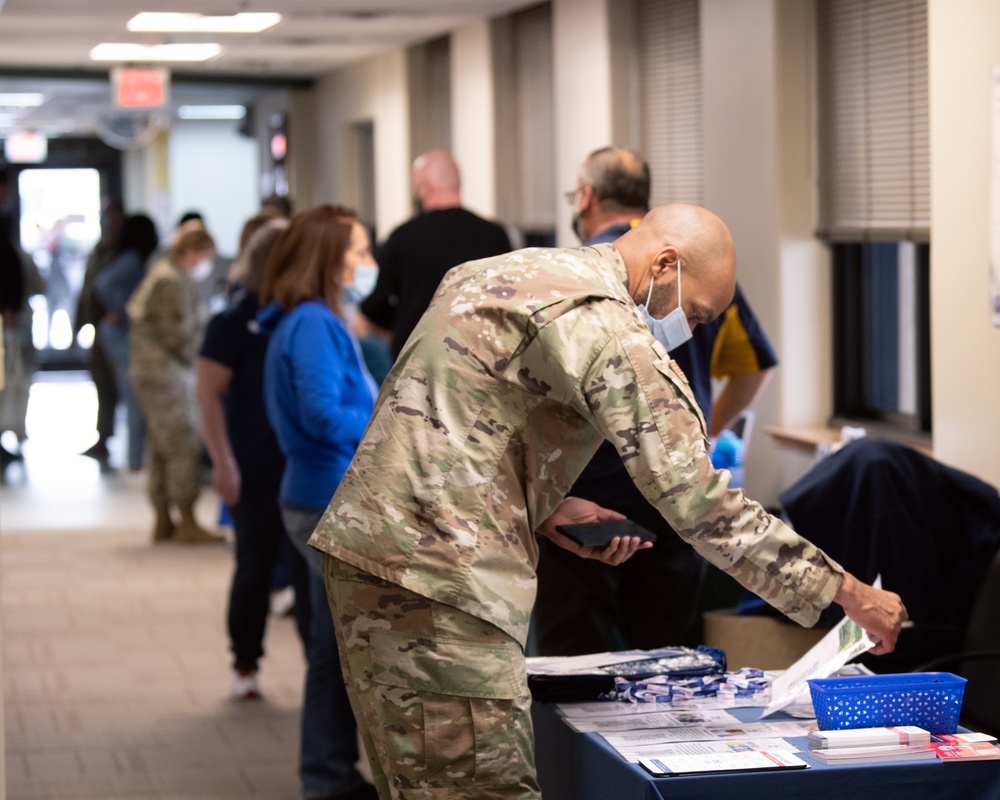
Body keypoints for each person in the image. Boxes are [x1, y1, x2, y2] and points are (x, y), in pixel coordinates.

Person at [309, 203, 908, 799]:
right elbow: (702, 505)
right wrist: (853, 596)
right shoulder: (606, 324)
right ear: (665, 265)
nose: (690, 333)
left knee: (420, 785)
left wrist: (543, 507)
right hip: (439, 584)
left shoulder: (504, 271)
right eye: (696, 315)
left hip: (376, 558)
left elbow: (448, 419)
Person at [534, 146, 779, 655]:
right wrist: (699, 431)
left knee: (578, 664)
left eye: (696, 319)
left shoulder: (574, 278)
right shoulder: (700, 274)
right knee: (670, 665)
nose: (686, 327)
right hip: (672, 506)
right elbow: (754, 366)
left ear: (585, 198)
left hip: (581, 499)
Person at [258, 205, 379, 800]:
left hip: (322, 497)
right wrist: (389, 420)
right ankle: (325, 776)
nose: (367, 264)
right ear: (330, 260)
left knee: (333, 650)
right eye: (359, 252)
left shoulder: (322, 320)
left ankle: (327, 773)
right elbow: (322, 413)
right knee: (348, 650)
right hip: (326, 500)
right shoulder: (311, 324)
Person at [196, 216, 310, 700]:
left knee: (309, 575)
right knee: (254, 564)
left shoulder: (302, 317)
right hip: (253, 464)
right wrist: (223, 461)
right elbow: (207, 393)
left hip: (299, 464)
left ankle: (318, 669)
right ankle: (245, 663)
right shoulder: (234, 321)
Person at [356, 149, 512, 358]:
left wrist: (404, 320)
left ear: (424, 188)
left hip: (416, 359)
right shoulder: (495, 235)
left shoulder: (403, 237)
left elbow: (373, 302)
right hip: (480, 358)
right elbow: (509, 298)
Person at [127, 221, 220, 544]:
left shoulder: (166, 273)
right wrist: (209, 360)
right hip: (166, 374)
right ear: (192, 252)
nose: (206, 264)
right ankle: (186, 518)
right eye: (206, 256)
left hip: (155, 372)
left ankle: (164, 517)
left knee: (162, 446)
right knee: (182, 443)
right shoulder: (171, 281)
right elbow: (178, 336)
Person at [93, 214, 159, 471]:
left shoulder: (139, 259)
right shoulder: (133, 259)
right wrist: (119, 309)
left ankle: (136, 457)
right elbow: (103, 283)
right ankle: (134, 460)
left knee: (135, 397)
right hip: (121, 335)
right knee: (133, 398)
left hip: (123, 335)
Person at [76, 200, 125, 464]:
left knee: (120, 383)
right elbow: (87, 290)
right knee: (101, 382)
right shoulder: (100, 249)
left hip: (117, 330)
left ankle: (130, 443)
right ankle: (103, 436)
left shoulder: (124, 252)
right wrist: (78, 323)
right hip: (98, 329)